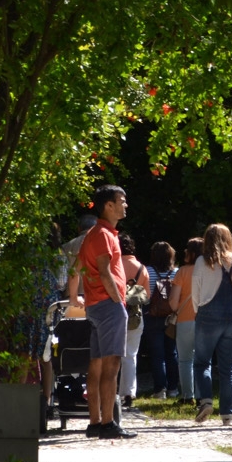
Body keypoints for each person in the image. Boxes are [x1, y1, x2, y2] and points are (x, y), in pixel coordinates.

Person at [76, 185, 137, 439]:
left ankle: (95, 423)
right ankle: (108, 423)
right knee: (111, 364)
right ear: (108, 206)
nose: (125, 205)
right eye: (121, 201)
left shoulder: (95, 233)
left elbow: (76, 268)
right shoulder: (103, 234)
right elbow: (104, 270)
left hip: (95, 305)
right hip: (108, 305)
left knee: (97, 365)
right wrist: (117, 300)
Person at [191, 224, 232, 425]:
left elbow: (195, 291)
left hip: (207, 315)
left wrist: (198, 310)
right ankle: (227, 414)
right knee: (228, 368)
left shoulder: (202, 261)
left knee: (201, 362)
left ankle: (206, 400)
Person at [144, 241, 180, 399]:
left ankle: (160, 390)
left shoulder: (148, 271)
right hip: (171, 317)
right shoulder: (176, 273)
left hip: (153, 317)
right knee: (172, 353)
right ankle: (173, 388)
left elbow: (145, 297)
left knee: (157, 354)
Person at [168, 238, 203, 404]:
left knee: (185, 360)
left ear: (192, 253)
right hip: (205, 321)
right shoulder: (210, 270)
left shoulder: (182, 272)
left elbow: (173, 302)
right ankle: (204, 396)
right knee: (203, 360)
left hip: (185, 320)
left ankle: (187, 396)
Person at [118, 233, 150, 409]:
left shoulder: (114, 265)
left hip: (115, 313)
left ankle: (112, 391)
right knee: (131, 355)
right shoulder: (141, 268)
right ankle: (128, 392)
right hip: (135, 316)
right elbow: (146, 297)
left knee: (113, 355)